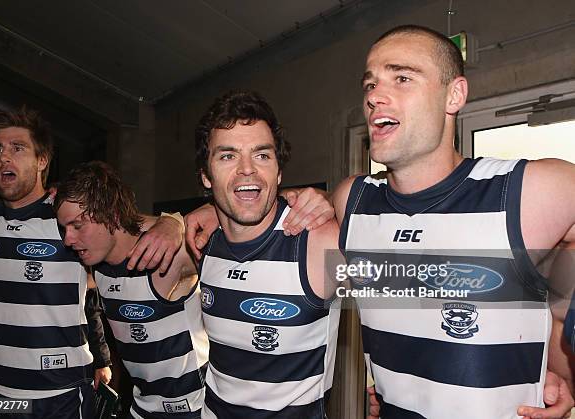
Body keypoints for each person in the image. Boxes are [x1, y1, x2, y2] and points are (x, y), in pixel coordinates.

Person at [186, 26, 575, 419]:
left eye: (402, 77)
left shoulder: (531, 190)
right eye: (369, 84)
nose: (373, 96)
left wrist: (561, 367)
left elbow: (560, 273)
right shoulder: (353, 202)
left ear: (454, 94)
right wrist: (210, 210)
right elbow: (267, 221)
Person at [0, 107, 183, 418]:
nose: (4, 157)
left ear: (42, 161)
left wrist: (173, 223)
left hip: (62, 395)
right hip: (1, 392)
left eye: (17, 147)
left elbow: (131, 226)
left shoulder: (67, 217)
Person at [193, 90, 341, 418]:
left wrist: (336, 198)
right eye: (227, 156)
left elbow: (426, 289)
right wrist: (171, 225)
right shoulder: (199, 243)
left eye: (261, 155)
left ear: (278, 171)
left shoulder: (318, 241)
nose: (248, 170)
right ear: (206, 175)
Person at [54, 161, 209, 418]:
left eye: (77, 226)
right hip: (142, 407)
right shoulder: (93, 260)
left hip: (195, 408)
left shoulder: (171, 251)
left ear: (112, 215)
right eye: (64, 228)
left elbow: (239, 224)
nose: (68, 239)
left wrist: (176, 222)